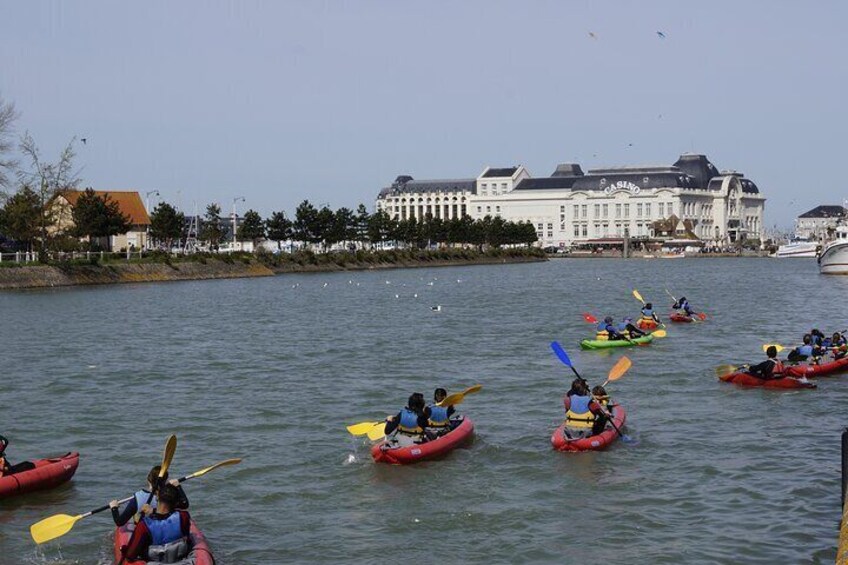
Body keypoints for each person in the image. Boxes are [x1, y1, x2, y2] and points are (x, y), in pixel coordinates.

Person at [120, 483, 192, 563]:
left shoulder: (144, 525)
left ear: (157, 497)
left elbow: (130, 556)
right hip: (179, 561)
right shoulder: (184, 516)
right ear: (176, 503)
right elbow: (188, 540)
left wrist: (124, 550)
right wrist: (153, 512)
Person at [110, 465, 189, 526]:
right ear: (166, 481)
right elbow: (185, 504)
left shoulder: (138, 498)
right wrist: (178, 486)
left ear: (148, 479)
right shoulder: (169, 495)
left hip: (146, 533)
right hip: (165, 528)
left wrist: (114, 508)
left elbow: (119, 522)